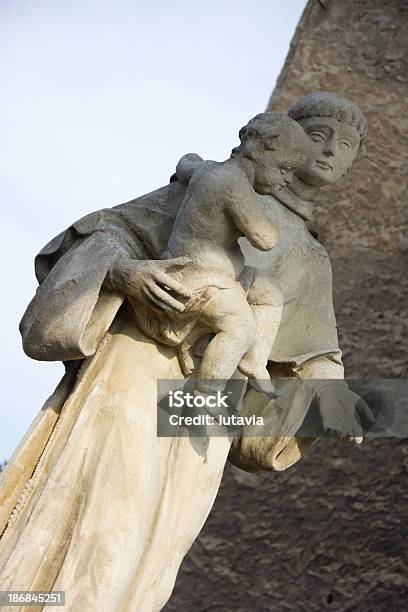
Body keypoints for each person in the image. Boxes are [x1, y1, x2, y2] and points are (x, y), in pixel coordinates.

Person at [0, 92, 373, 610]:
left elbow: (311, 359)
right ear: (279, 141)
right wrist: (127, 274)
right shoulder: (213, 185)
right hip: (143, 359)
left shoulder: (312, 258)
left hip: (210, 404)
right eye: (317, 137)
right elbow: (104, 232)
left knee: (158, 538)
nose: (331, 152)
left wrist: (331, 399)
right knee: (105, 509)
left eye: (348, 146)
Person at [132, 112, 310, 396]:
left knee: (270, 295)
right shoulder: (233, 185)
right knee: (239, 328)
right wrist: (274, 225)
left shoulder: (208, 170)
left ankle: (254, 361)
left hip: (226, 274)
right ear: (262, 149)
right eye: (285, 168)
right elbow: (264, 238)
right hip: (199, 278)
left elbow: (186, 163)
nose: (287, 180)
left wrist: (188, 165)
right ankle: (208, 391)